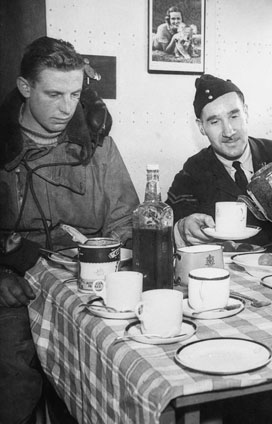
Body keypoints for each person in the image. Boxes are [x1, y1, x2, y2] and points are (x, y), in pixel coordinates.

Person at [0, 36, 139, 424]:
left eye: (75, 94)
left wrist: (119, 271)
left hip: (89, 284)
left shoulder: (98, 147)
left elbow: (125, 217)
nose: (67, 108)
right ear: (25, 88)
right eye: (54, 94)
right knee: (13, 382)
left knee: (115, 371)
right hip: (14, 287)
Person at [166, 74, 272, 252]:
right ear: (201, 127)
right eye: (215, 121)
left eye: (234, 116)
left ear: (246, 113)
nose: (229, 131)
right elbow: (167, 226)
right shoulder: (193, 172)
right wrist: (181, 227)